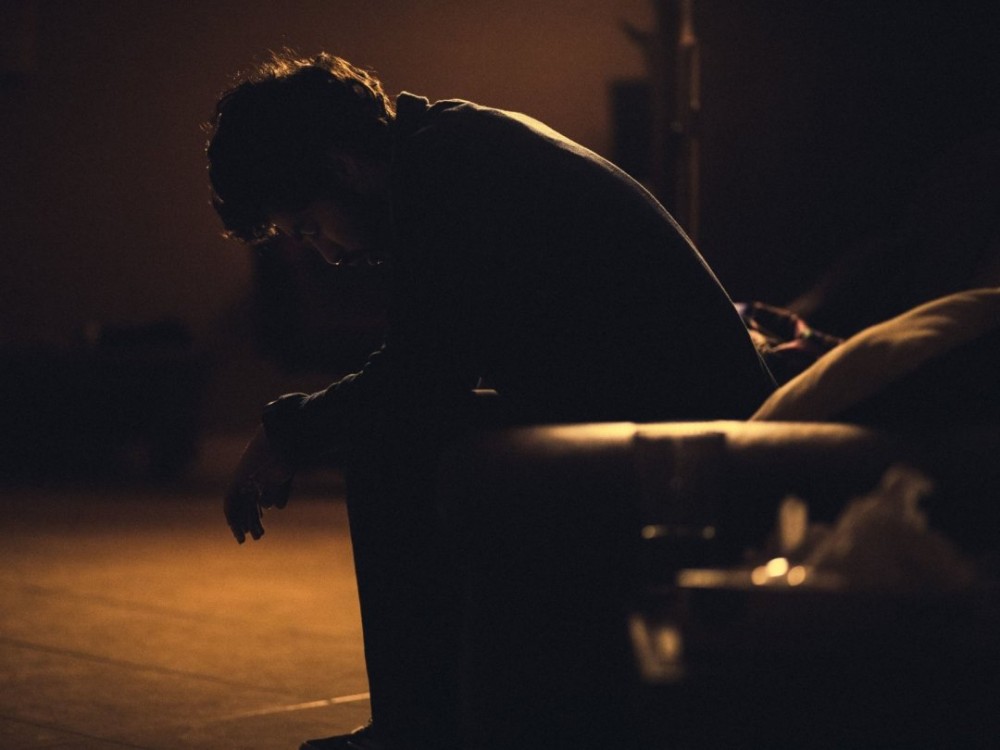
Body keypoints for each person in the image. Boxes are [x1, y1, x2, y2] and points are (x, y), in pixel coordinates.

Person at [207, 52, 775, 750]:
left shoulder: (449, 174)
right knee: (413, 431)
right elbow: (432, 366)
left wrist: (286, 431)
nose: (325, 253)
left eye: (307, 227)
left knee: (392, 443)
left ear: (342, 168)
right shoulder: (446, 149)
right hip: (665, 419)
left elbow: (420, 377)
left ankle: (416, 731)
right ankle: (431, 721)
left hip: (700, 445)